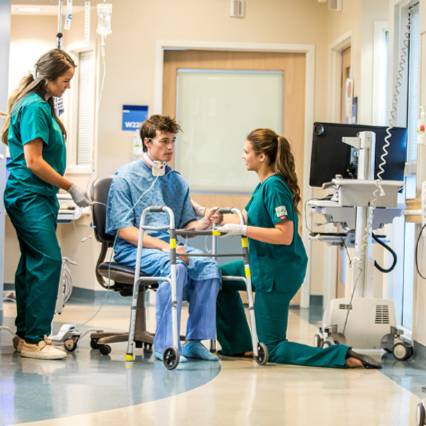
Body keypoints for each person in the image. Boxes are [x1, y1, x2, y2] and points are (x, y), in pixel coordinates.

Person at [216, 128, 381, 369]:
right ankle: (238, 345)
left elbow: (284, 235)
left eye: (246, 151)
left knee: (272, 347)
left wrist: (241, 231)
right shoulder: (264, 185)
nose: (243, 156)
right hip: (263, 263)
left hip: (277, 272)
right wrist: (223, 217)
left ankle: (340, 356)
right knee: (215, 277)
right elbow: (254, 216)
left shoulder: (275, 186)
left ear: (262, 157)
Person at [106, 114, 220, 362]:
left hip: (170, 247)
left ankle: (194, 341)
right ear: (148, 143)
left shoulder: (176, 181)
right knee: (175, 266)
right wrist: (166, 246)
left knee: (209, 267)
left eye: (173, 141)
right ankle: (165, 345)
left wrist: (202, 223)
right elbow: (124, 230)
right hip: (133, 248)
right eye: (164, 141)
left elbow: (185, 223)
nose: (170, 148)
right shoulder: (125, 178)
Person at [1, 49, 91, 360]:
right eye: (65, 81)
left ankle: (27, 334)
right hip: (29, 195)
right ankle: (33, 339)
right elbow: (34, 161)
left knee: (32, 263)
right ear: (48, 79)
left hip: (37, 195)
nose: (68, 86)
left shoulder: (40, 105)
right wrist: (70, 186)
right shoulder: (35, 107)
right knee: (48, 261)